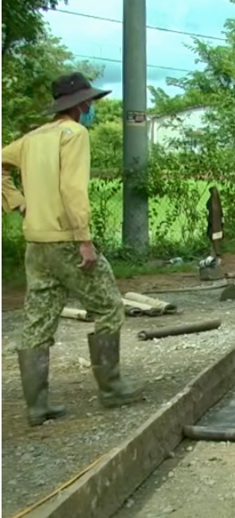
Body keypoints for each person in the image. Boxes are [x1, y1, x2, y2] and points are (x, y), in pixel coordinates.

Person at [1, 72, 142, 426]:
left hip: (36, 242)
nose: (91, 108)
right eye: (90, 103)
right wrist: (84, 239)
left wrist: (17, 202)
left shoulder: (32, 138)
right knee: (109, 306)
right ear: (81, 104)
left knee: (38, 318)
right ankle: (111, 388)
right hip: (66, 239)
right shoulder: (74, 134)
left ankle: (37, 405)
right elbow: (72, 189)